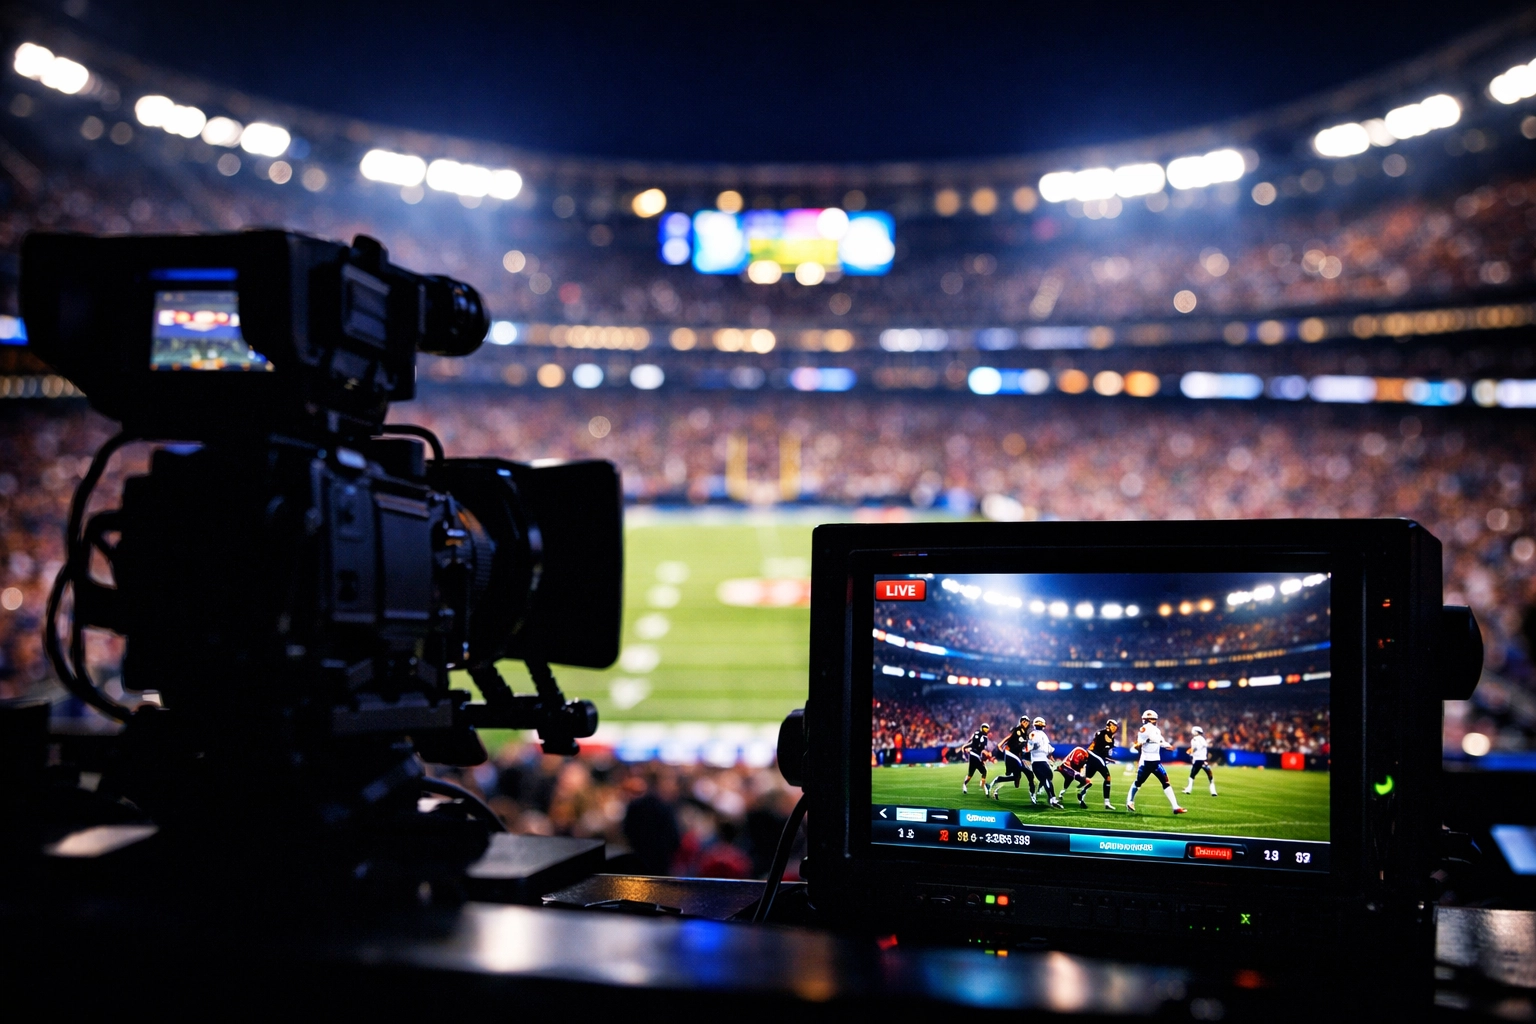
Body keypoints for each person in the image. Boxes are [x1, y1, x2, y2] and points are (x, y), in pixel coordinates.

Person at [1126, 709, 1186, 815]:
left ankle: (1175, 807)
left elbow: (1160, 741)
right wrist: (1140, 744)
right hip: (1146, 763)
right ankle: (1129, 801)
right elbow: (1143, 742)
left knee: (1165, 782)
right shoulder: (1144, 729)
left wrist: (1168, 746)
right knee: (1139, 782)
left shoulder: (1155, 730)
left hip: (1156, 762)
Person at [986, 716, 1031, 801]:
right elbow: (1009, 737)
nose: (1025, 723)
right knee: (1021, 771)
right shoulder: (1017, 730)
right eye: (1024, 721)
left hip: (1016, 755)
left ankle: (995, 787)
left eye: (1027, 722)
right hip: (1010, 754)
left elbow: (1021, 748)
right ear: (1021, 722)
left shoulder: (1025, 734)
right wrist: (1000, 744)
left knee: (1016, 779)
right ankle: (995, 782)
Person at [1027, 716, 1063, 809]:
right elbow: (1030, 747)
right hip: (1039, 762)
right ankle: (1052, 799)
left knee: (1048, 778)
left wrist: (1049, 755)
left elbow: (1046, 748)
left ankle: (1050, 797)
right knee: (1047, 779)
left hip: (1041, 761)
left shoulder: (1038, 734)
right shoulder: (1035, 734)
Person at [1086, 718, 1119, 810]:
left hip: (1100, 761)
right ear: (1109, 726)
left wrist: (1111, 760)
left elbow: (1105, 754)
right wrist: (1086, 756)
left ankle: (1106, 803)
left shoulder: (1112, 740)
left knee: (1087, 779)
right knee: (1087, 779)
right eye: (1113, 726)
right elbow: (1091, 747)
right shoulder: (1100, 734)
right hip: (1094, 759)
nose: (1115, 728)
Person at [1183, 726, 1218, 797]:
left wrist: (1191, 752)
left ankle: (1188, 789)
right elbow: (1205, 745)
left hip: (1197, 760)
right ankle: (1213, 791)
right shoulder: (1202, 739)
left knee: (1192, 776)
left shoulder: (1194, 740)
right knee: (1210, 776)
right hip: (1204, 761)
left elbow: (1195, 749)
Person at [962, 723, 991, 794]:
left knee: (970, 775)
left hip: (972, 755)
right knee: (984, 771)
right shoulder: (985, 737)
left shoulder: (975, 733)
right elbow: (983, 748)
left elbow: (971, 742)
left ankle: (964, 785)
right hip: (976, 756)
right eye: (986, 728)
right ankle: (983, 785)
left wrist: (966, 747)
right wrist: (986, 757)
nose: (986, 730)